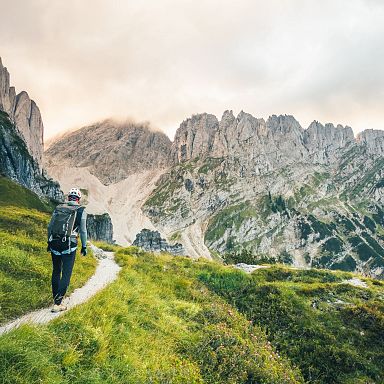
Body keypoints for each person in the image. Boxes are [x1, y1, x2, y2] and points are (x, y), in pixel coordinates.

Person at [47, 187, 87, 312]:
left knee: (56, 271)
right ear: (78, 199)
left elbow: (50, 227)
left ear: (68, 197)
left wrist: (49, 241)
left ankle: (56, 300)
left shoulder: (58, 208)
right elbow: (83, 231)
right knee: (66, 273)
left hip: (54, 243)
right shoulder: (81, 210)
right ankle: (58, 303)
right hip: (69, 245)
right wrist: (84, 246)